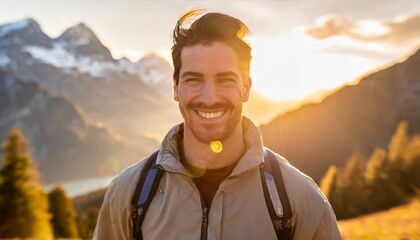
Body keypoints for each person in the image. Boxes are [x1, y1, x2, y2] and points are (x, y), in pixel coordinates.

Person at [93, 9, 341, 240]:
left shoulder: (299, 199)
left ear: (246, 88)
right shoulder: (128, 196)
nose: (209, 98)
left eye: (225, 80)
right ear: (175, 86)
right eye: (194, 80)